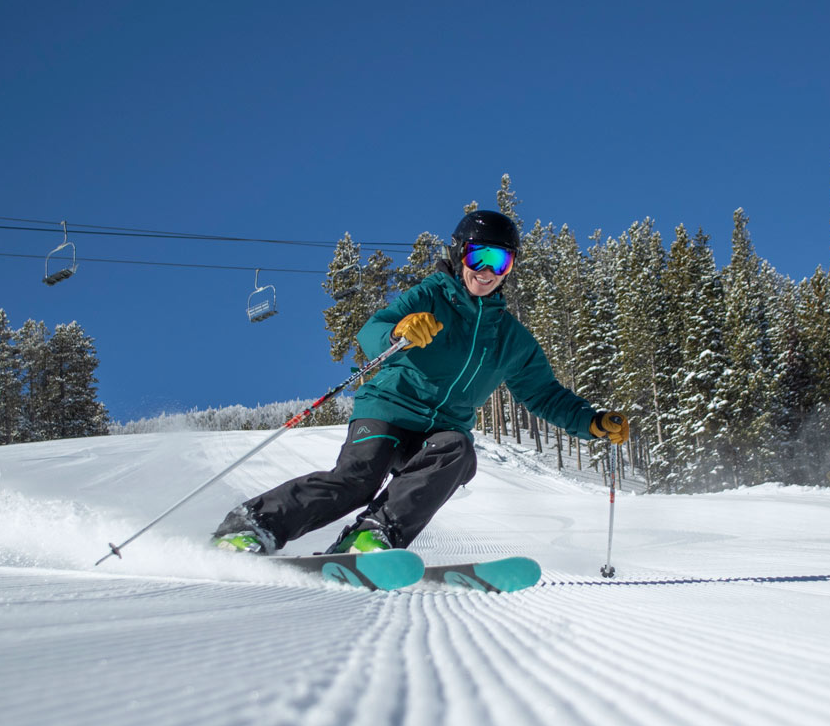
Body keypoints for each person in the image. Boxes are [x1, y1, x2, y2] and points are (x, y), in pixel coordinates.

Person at [213, 209, 630, 555]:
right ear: (458, 254)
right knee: (359, 477)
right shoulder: (430, 295)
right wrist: (399, 332)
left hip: (440, 429)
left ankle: (371, 536)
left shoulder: (510, 338)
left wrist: (590, 422)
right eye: (478, 257)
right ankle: (254, 524)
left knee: (459, 450)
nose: (486, 272)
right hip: (388, 410)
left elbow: (543, 393)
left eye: (499, 262)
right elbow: (374, 328)